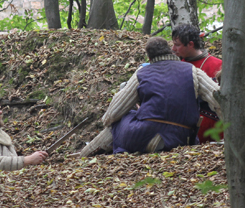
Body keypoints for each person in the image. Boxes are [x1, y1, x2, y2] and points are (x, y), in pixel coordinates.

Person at [80, 37, 222, 157]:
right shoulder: (192, 71)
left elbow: (113, 113)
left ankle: (85, 154)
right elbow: (218, 98)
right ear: (170, 51)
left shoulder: (142, 72)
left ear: (149, 57)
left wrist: (108, 121)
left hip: (144, 135)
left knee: (122, 118)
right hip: (181, 136)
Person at [172, 24, 223, 143]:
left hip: (213, 132)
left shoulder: (218, 66)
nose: (173, 49)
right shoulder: (175, 65)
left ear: (190, 44)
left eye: (177, 45)